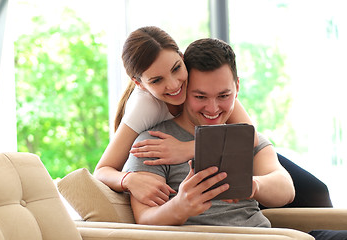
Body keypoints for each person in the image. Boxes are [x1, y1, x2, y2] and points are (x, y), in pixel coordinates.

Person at [123, 38, 347, 240]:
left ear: (237, 87)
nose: (213, 109)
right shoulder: (153, 142)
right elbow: (144, 219)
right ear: (184, 89)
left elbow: (285, 189)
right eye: (200, 96)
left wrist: (253, 186)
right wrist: (180, 206)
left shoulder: (246, 136)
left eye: (224, 96)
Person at [94, 26, 256, 207]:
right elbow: (101, 170)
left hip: (248, 163)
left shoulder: (203, 83)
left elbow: (250, 138)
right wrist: (129, 180)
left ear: (182, 57)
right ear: (139, 83)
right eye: (157, 80)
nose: (173, 85)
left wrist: (188, 148)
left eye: (176, 68)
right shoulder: (146, 108)